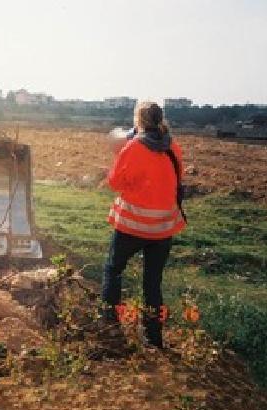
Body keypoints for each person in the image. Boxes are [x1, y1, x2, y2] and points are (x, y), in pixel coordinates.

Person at [102, 101, 186, 348]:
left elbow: (115, 182)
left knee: (113, 270)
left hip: (133, 226)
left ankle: (110, 328)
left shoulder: (133, 147)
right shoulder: (172, 146)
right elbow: (176, 180)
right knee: (152, 283)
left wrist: (121, 152)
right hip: (163, 228)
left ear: (138, 120)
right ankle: (153, 338)